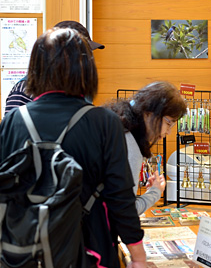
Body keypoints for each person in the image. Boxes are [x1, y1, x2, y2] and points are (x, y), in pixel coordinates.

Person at [0, 28, 146, 268]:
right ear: (87, 69)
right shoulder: (104, 122)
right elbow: (120, 196)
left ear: (35, 68)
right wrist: (138, 257)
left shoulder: (13, 121)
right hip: (89, 251)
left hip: (23, 252)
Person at [103, 81, 187, 215]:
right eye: (168, 123)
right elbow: (125, 212)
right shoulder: (129, 145)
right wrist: (154, 193)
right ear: (149, 113)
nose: (168, 132)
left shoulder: (114, 125)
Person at [4, 20, 105, 116]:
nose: (86, 59)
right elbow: (13, 130)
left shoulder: (80, 87)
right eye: (81, 53)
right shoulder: (24, 90)